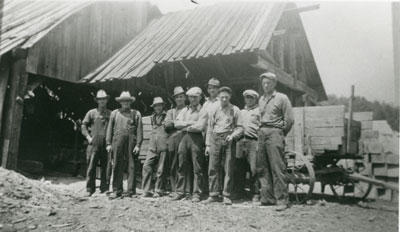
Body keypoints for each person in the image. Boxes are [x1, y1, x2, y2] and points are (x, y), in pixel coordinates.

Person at [257, 72, 294, 211]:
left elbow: (289, 120)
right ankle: (267, 198)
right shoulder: (261, 99)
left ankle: (282, 200)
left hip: (275, 132)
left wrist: (279, 134)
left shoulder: (282, 98)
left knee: (277, 167)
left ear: (274, 84)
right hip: (262, 132)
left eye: (269, 83)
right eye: (264, 83)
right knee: (262, 167)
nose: (266, 85)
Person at [204, 86, 243, 205]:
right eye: (222, 97)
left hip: (228, 138)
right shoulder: (214, 109)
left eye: (226, 97)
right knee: (213, 167)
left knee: (228, 167)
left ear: (230, 97)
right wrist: (208, 145)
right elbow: (210, 127)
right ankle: (214, 194)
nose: (224, 99)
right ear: (218, 97)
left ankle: (226, 194)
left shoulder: (235, 110)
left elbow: (241, 128)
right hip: (215, 138)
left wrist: (233, 136)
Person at [172, 87, 208, 202]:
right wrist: (191, 123)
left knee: (197, 167)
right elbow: (177, 124)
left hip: (196, 139)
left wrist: (186, 126)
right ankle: (180, 191)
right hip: (184, 138)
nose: (193, 99)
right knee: (182, 164)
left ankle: (197, 193)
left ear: (200, 97)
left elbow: (201, 127)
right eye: (191, 97)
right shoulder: (184, 110)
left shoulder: (203, 111)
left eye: (195, 97)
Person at [106, 91, 143, 199]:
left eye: (127, 101)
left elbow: (140, 130)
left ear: (130, 102)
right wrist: (108, 143)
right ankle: (117, 190)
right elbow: (109, 129)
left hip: (131, 141)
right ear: (120, 102)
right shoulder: (115, 113)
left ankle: (131, 191)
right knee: (117, 164)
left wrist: (138, 145)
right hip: (117, 140)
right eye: (123, 101)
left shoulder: (136, 113)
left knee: (131, 166)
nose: (125, 103)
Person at [81, 90, 111, 197]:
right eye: (100, 99)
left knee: (106, 167)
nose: (102, 101)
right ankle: (90, 189)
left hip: (106, 144)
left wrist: (110, 143)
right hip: (93, 145)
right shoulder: (91, 113)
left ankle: (104, 188)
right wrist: (88, 137)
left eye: (104, 99)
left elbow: (113, 128)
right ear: (97, 101)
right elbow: (83, 125)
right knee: (91, 167)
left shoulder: (110, 114)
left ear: (107, 100)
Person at [234, 89, 261, 203]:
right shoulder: (240, 112)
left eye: (251, 98)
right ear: (244, 98)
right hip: (240, 141)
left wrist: (259, 143)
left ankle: (255, 193)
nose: (249, 100)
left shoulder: (259, 111)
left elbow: (261, 127)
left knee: (254, 168)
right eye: (247, 97)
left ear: (255, 99)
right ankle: (240, 192)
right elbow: (236, 126)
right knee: (239, 167)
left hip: (252, 141)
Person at [142, 97, 169, 198]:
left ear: (163, 106)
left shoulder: (167, 117)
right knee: (147, 166)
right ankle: (147, 190)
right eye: (156, 106)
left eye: (160, 105)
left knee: (161, 169)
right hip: (152, 146)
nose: (158, 107)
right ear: (153, 107)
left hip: (163, 145)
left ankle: (159, 190)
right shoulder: (152, 118)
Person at [164, 87, 189, 193]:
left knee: (185, 162)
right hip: (173, 139)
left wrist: (175, 123)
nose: (179, 99)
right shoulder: (171, 111)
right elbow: (167, 125)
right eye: (177, 97)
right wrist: (180, 123)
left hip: (186, 138)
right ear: (174, 99)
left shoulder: (189, 109)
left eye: (181, 96)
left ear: (185, 98)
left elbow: (192, 122)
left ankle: (186, 188)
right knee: (174, 163)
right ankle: (175, 188)